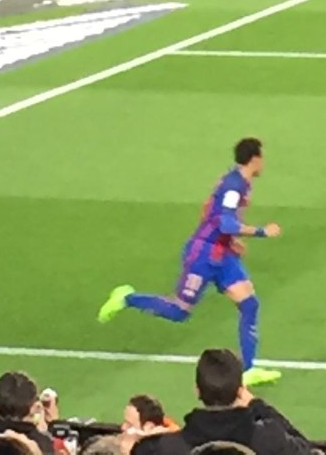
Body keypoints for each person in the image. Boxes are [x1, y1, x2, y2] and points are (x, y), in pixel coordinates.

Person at [98, 138, 282, 388]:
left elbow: (211, 214)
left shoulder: (239, 183)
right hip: (203, 255)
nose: (264, 162)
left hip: (221, 253)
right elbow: (224, 223)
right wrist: (261, 231)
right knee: (179, 311)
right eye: (263, 157)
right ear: (255, 159)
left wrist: (230, 242)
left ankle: (248, 369)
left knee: (249, 304)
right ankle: (127, 298)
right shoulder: (233, 186)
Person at [133, 350, 312, 455]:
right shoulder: (270, 439)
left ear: (197, 390)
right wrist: (257, 405)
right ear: (240, 391)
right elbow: (307, 451)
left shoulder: (163, 448)